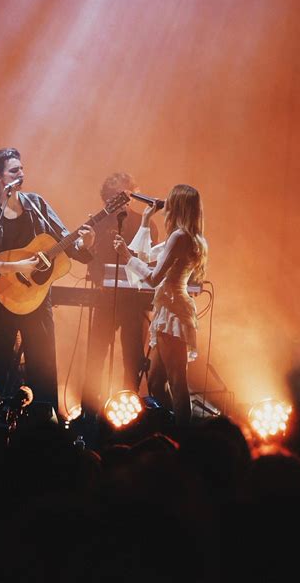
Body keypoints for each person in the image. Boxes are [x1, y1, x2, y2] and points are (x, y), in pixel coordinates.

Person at [0, 147, 95, 417]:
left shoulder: (36, 205)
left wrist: (86, 241)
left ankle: (44, 420)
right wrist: (18, 265)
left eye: (22, 169)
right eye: (15, 171)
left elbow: (66, 240)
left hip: (37, 301)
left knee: (43, 364)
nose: (21, 174)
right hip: (0, 301)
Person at [114, 184, 208, 430]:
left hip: (174, 312)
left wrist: (127, 257)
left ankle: (182, 437)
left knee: (177, 382)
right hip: (168, 309)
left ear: (177, 206)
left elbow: (153, 277)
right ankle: (170, 426)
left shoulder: (180, 237)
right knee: (156, 382)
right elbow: (146, 257)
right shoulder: (181, 236)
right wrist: (145, 221)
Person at [83, 172, 158, 419]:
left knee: (133, 355)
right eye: (116, 195)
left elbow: (148, 261)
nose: (122, 199)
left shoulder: (145, 223)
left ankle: (130, 407)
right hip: (105, 298)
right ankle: (88, 409)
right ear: (107, 198)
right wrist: (97, 275)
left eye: (126, 193)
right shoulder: (99, 222)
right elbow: (90, 258)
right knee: (96, 352)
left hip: (134, 301)